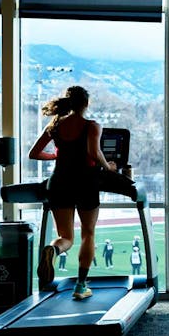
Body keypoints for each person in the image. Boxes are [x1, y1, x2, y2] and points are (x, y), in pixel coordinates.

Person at [27, 85, 118, 301]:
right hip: (85, 183)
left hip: (59, 183)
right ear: (86, 104)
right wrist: (109, 167)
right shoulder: (91, 126)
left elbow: (34, 153)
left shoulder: (55, 126)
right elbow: (94, 153)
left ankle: (52, 250)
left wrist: (56, 157)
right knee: (88, 233)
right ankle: (80, 286)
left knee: (66, 237)